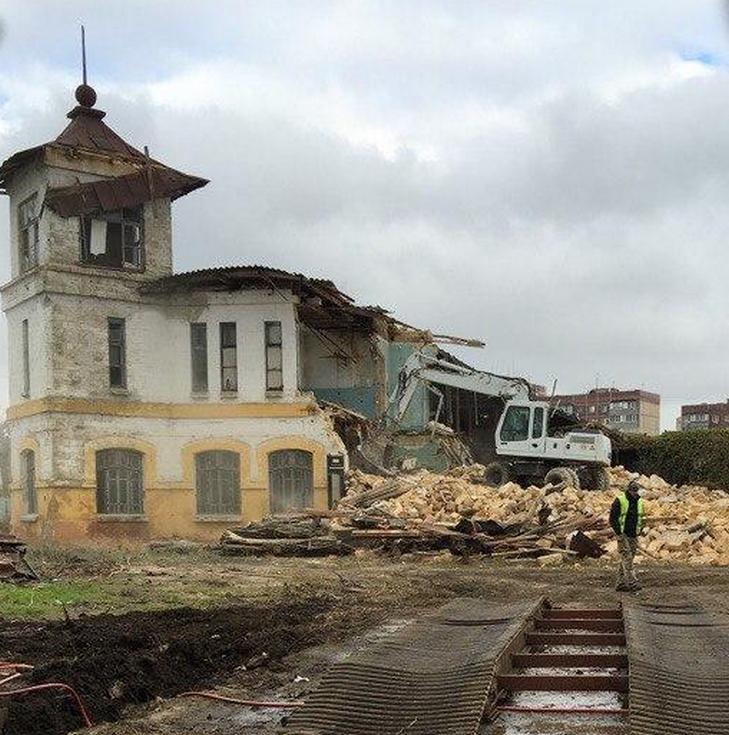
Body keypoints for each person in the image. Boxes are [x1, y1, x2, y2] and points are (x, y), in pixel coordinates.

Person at [609, 479, 645, 592]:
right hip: (623, 534)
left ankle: (620, 583)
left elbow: (641, 517)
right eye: (633, 491)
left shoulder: (639, 501)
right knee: (627, 557)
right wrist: (619, 533)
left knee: (627, 559)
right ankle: (632, 582)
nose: (635, 494)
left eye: (637, 491)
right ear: (629, 490)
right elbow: (612, 519)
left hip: (633, 534)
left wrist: (640, 529)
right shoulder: (620, 500)